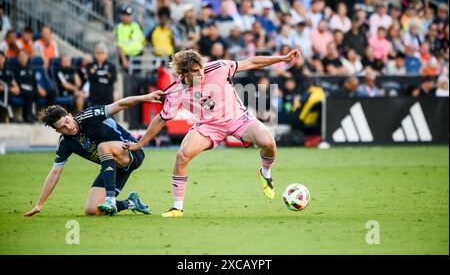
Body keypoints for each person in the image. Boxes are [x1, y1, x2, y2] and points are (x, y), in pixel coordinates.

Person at [126, 49, 302, 217]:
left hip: (238, 118)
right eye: (195, 71)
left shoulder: (219, 67)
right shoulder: (175, 91)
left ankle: (265, 173)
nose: (201, 74)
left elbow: (251, 62)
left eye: (201, 68)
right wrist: (140, 143)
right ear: (183, 73)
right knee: (182, 156)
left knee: (269, 143)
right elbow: (160, 119)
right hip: (208, 126)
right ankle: (177, 208)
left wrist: (283, 58)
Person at [24, 90, 164, 217]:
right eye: (63, 128)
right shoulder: (65, 143)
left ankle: (110, 199)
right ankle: (131, 203)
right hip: (112, 167)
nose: (69, 127)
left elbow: (120, 104)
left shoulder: (89, 116)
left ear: (71, 116)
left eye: (68, 122)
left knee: (103, 147)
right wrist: (39, 204)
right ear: (58, 131)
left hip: (132, 152)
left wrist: (146, 97)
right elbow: (55, 173)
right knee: (93, 210)